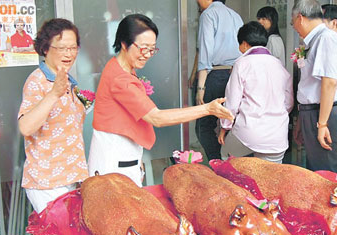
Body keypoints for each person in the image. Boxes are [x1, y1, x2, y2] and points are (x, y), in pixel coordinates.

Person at [88, 14, 233, 187]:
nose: (148, 55)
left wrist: (136, 158)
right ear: (124, 43)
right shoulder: (121, 79)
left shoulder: (119, 67)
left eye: (152, 49)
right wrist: (208, 109)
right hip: (114, 160)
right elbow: (157, 118)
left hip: (120, 153)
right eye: (143, 48)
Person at [17, 18, 88, 213]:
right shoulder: (37, 81)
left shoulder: (69, 81)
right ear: (46, 48)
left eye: (73, 48)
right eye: (62, 48)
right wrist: (54, 93)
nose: (69, 54)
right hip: (47, 182)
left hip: (72, 178)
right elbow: (26, 127)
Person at [218, 21, 293, 163]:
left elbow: (231, 103)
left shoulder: (242, 64)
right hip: (277, 136)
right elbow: (288, 103)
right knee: (271, 177)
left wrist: (224, 127)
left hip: (249, 133)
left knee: (226, 155)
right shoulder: (279, 65)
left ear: (245, 44)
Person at [291, 0, 337, 174]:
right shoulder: (315, 41)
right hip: (315, 113)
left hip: (325, 115)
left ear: (300, 18)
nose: (293, 26)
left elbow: (329, 82)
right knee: (316, 172)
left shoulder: (326, 38)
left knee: (327, 175)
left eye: (292, 22)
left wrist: (322, 124)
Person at [195, 0, 243, 161]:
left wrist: (200, 88)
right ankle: (228, 162)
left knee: (203, 126)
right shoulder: (236, 16)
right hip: (235, 74)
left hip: (215, 75)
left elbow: (205, 53)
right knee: (230, 122)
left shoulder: (209, 14)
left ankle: (217, 162)